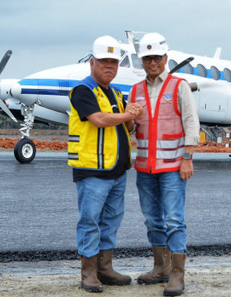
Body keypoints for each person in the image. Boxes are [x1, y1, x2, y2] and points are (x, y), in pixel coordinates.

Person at [68, 35, 143, 293]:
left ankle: (105, 268)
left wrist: (132, 116)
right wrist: (126, 114)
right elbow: (99, 119)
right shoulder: (83, 91)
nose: (109, 66)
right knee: (90, 220)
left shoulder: (115, 92)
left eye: (113, 62)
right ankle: (88, 272)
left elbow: (127, 127)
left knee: (111, 219)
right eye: (104, 62)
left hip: (117, 170)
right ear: (92, 63)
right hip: (92, 170)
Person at [129, 33, 200, 296]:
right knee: (152, 221)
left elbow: (191, 123)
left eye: (156, 57)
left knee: (174, 220)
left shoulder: (178, 86)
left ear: (165, 58)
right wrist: (128, 119)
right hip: (145, 168)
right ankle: (160, 267)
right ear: (142, 61)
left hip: (173, 166)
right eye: (147, 58)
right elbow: (130, 126)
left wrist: (188, 157)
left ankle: (177, 275)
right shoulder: (135, 90)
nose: (152, 62)